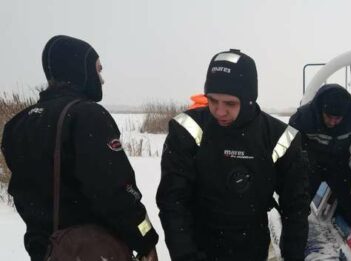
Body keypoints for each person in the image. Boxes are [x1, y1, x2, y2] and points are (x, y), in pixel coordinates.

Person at [1, 35, 158, 261]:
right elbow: (116, 191)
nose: (101, 80)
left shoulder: (18, 123)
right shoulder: (87, 116)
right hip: (88, 250)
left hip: (45, 250)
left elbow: (23, 194)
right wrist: (146, 239)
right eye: (98, 70)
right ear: (79, 71)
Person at [156, 49, 310, 261]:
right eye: (212, 101)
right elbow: (173, 201)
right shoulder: (188, 129)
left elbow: (296, 209)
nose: (219, 111)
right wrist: (185, 255)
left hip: (251, 246)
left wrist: (293, 256)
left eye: (230, 103)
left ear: (249, 100)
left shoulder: (279, 138)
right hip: (199, 244)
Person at [289, 83, 351, 224]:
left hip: (338, 164)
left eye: (337, 119)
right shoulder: (303, 116)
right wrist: (281, 172)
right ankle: (294, 235)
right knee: (297, 206)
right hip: (309, 165)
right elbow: (284, 146)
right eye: (329, 117)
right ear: (321, 109)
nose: (333, 122)